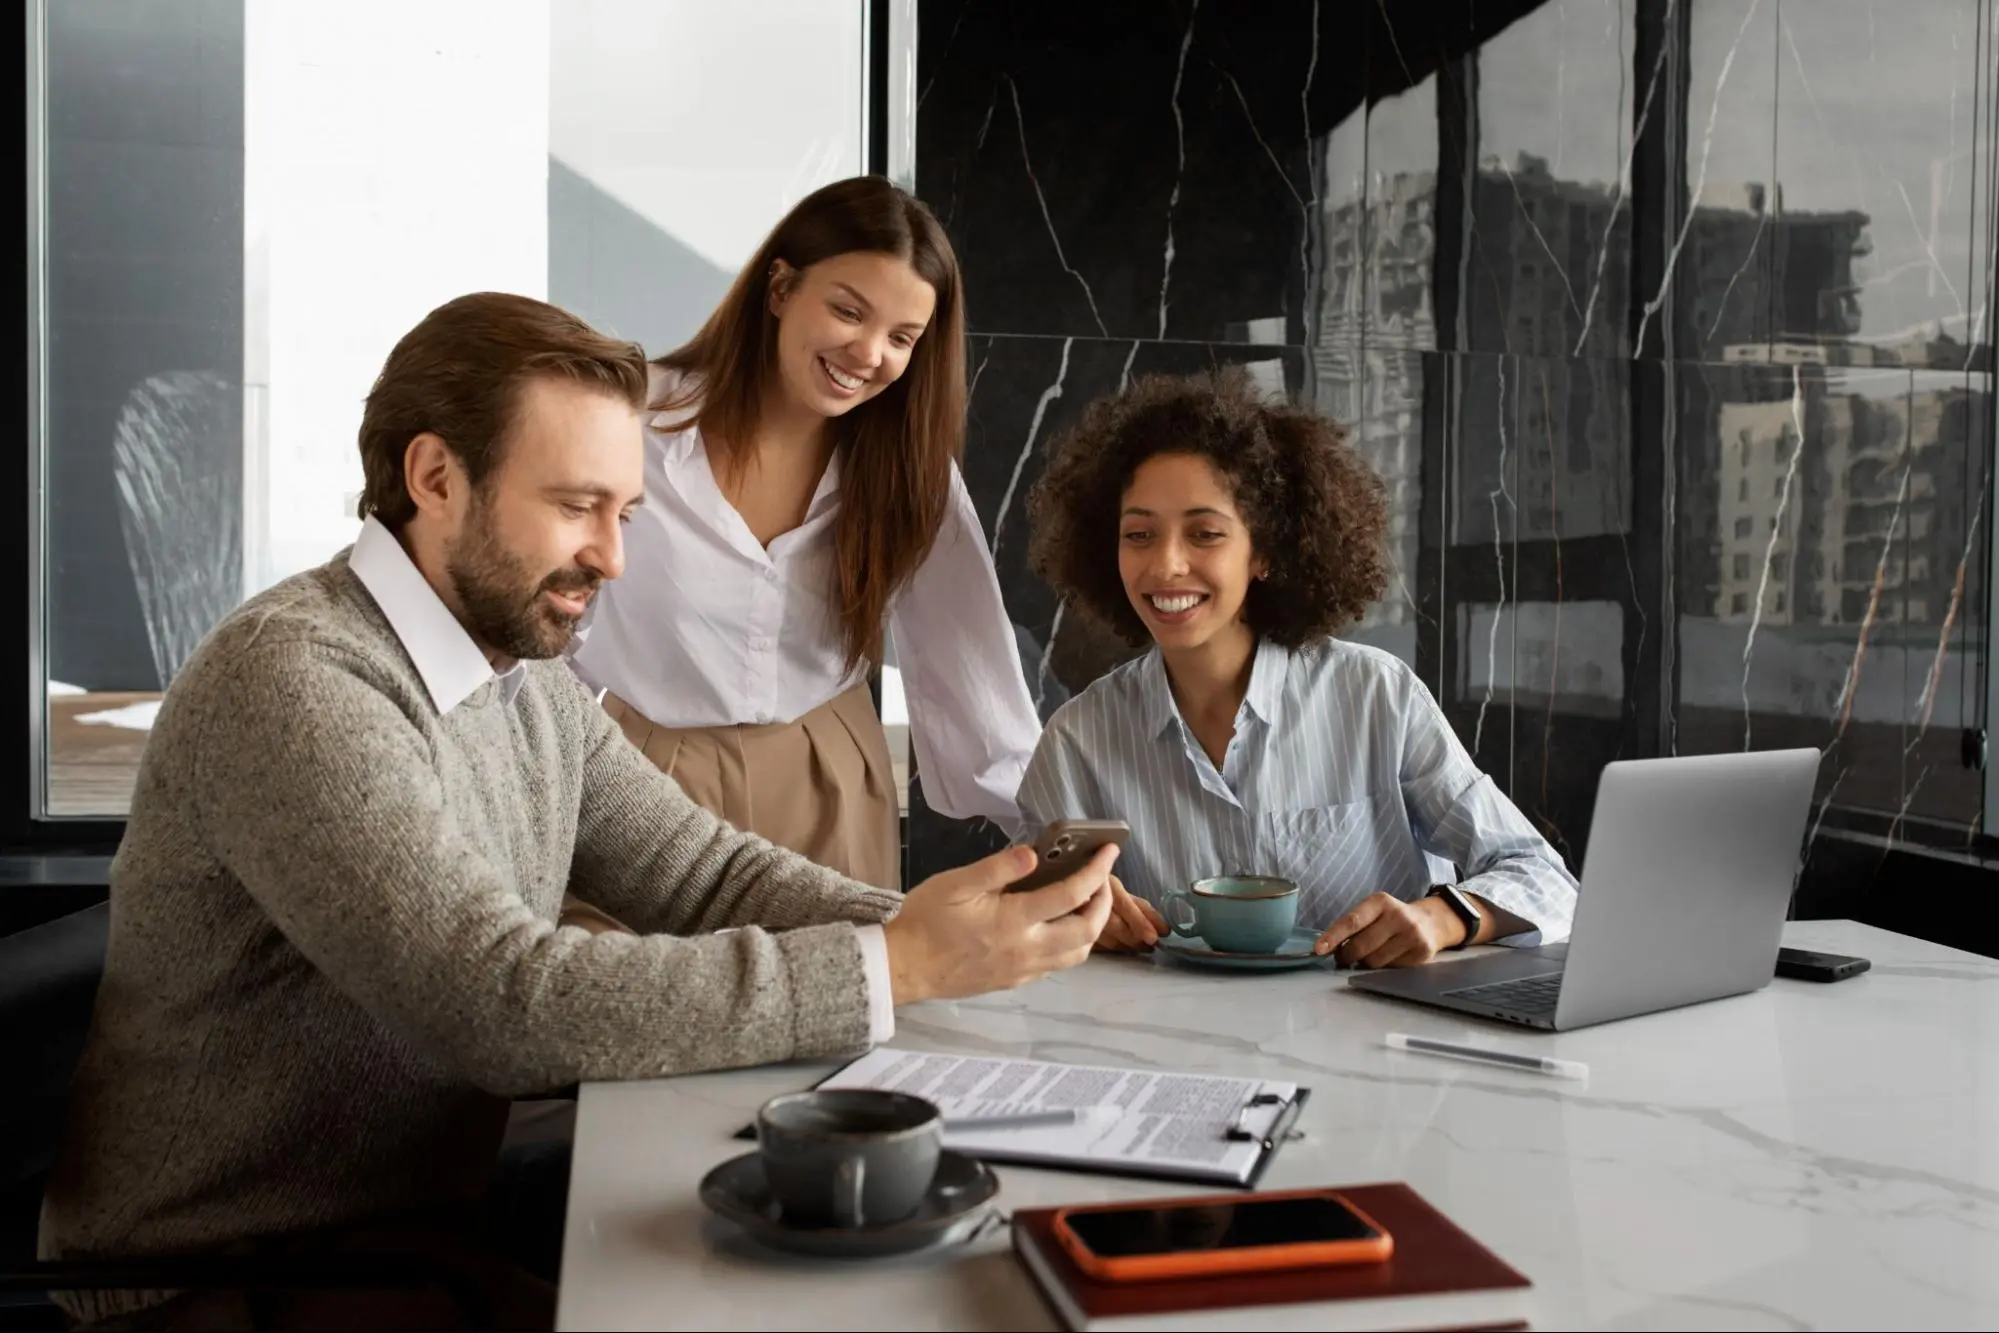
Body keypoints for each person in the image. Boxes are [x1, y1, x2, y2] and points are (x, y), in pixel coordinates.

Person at [40, 292, 1116, 1331]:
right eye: (574, 506)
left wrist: (971, 929)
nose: (612, 555)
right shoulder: (296, 682)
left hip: (405, 1232)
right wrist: (897, 965)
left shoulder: (517, 671)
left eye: (626, 512)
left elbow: (702, 874)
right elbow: (497, 1002)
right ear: (434, 477)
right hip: (217, 1280)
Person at [567, 177, 1039, 891]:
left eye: (902, 338)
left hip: (833, 787)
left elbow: (969, 666)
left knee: (843, 998)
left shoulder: (910, 474)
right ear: (781, 287)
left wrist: (1062, 848)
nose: (868, 352)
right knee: (649, 995)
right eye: (849, 310)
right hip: (650, 785)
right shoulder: (629, 425)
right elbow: (544, 634)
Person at [1017, 367, 1576, 966]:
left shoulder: (1375, 697)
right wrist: (1070, 920)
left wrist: (1444, 918)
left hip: (1370, 1043)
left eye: (1205, 534)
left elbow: (1543, 877)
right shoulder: (1077, 742)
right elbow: (1021, 919)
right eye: (1139, 534)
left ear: (1263, 551)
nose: (1167, 565)